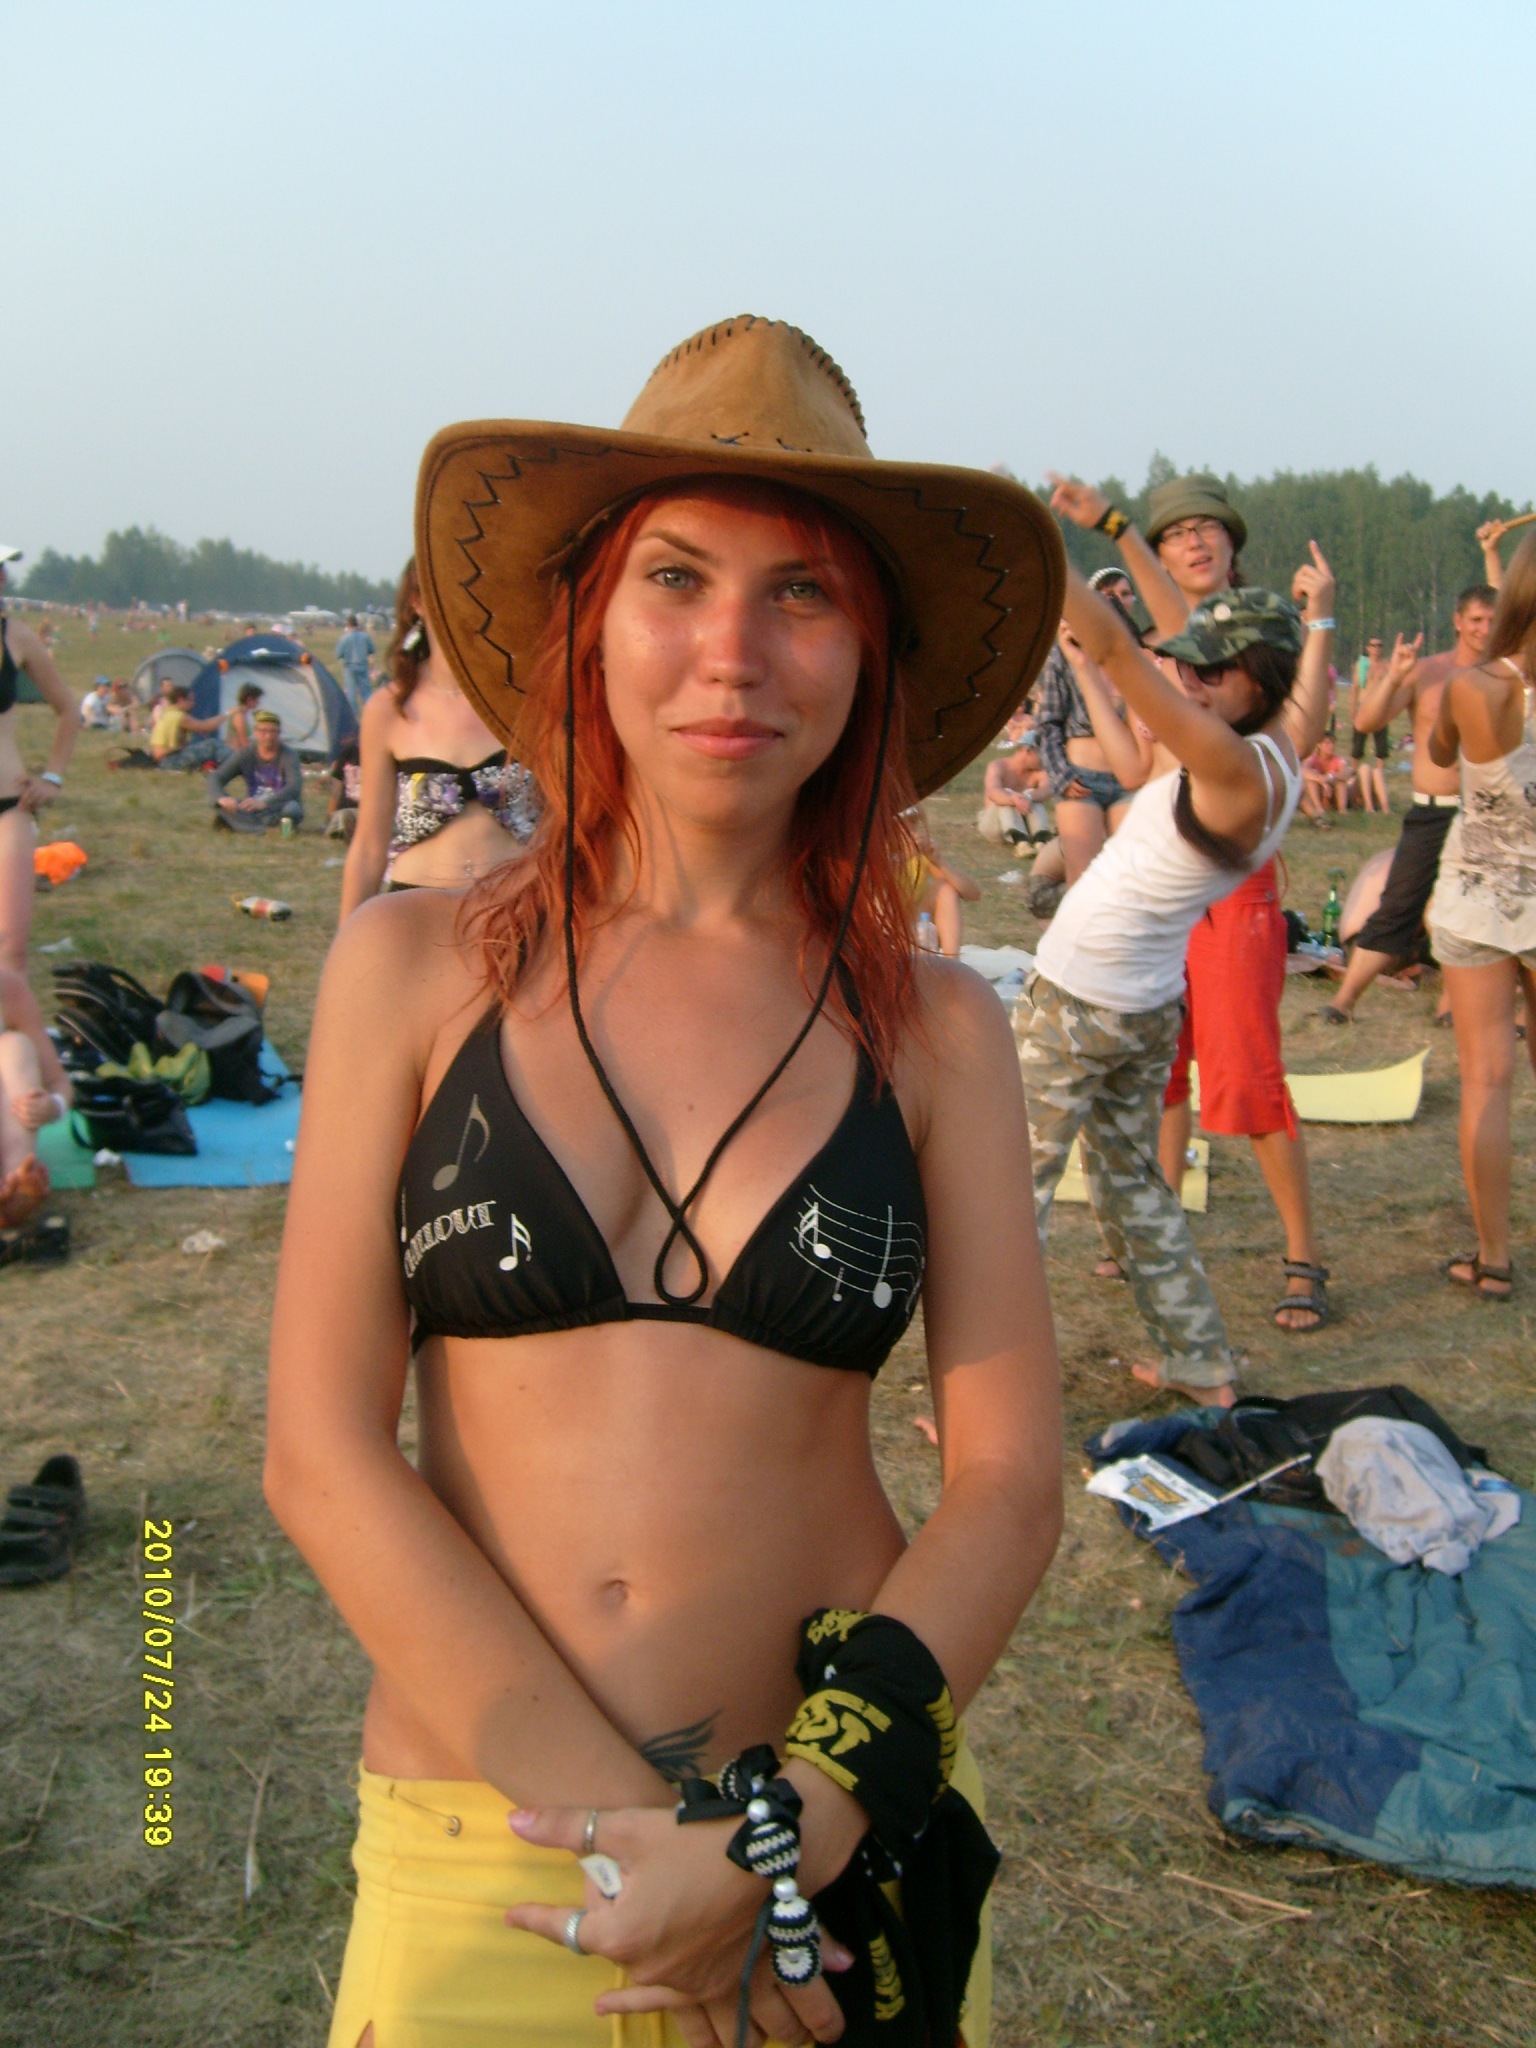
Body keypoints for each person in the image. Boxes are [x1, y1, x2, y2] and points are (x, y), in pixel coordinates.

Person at [265, 314, 1064, 2048]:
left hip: (827, 1877)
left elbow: (1007, 1481)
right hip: (496, 1862)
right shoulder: (411, 969)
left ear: (868, 652)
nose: (732, 653)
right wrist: (664, 1856)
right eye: (676, 578)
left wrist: (793, 1832)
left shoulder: (937, 1029)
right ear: (590, 621)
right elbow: (321, 1452)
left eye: (803, 593)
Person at [1049, 471, 1335, 1332]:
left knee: (1246, 1080)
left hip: (1231, 902)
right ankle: (1159, 1226)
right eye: (1176, 534)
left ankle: (1303, 1255)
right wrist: (1114, 530)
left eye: (1208, 529)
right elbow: (1140, 721)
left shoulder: (1246, 652)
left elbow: (1295, 712)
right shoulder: (1199, 656)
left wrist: (1322, 621)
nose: (1194, 542)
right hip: (1162, 915)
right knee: (1165, 1075)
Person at [1017, 577, 1305, 1402]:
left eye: (1214, 671)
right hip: (1142, 1005)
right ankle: (1202, 1364)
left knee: (1009, 1193)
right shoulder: (1275, 751)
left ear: (1263, 679)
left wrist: (1049, 546)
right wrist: (1121, 530)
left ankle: (996, 1399)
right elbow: (1175, 631)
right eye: (1188, 667)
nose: (1191, 683)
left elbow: (1115, 647)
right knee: (1135, 1191)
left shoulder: (1228, 764)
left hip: (1079, 999)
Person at [1424, 533, 1536, 1300]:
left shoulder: (1473, 685)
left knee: (1486, 1082)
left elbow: (1438, 752)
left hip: (1478, 897)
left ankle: (1493, 1257)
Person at [1320, 584, 1498, 1025]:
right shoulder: (1427, 672)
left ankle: (1450, 1007)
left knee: (1472, 912)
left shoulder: (1506, 677)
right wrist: (1394, 677)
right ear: (1458, 621)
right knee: (1398, 906)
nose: (1484, 629)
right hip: (1433, 808)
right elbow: (1366, 720)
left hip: (1485, 812)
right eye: (1476, 620)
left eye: (1492, 620)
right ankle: (1343, 1002)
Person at [338, 560, 540, 917]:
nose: (466, 602)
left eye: (477, 588)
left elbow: (563, 830)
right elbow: (369, 846)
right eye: (450, 588)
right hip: (415, 916)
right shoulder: (387, 710)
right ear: (417, 601)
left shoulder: (527, 702)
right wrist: (346, 939)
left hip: (512, 913)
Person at [0, 551, 80, 975]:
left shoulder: (16, 637)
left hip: (8, 806)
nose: (2, 577)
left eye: (2, 570)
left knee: (11, 954)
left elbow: (68, 709)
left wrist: (52, 777)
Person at [1029, 623, 1135, 886]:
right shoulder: (1062, 656)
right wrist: (1060, 775)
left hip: (1130, 780)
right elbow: (1048, 724)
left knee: (1129, 876)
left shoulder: (1133, 653)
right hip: (1081, 778)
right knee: (1082, 880)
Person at [0, 965, 72, 1227]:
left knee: (15, 1048)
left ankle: (14, 1181)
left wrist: (53, 1106)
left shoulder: (8, 989)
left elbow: (59, 1082)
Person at [903, 806, 981, 955]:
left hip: (912, 923)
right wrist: (901, 858)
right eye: (903, 825)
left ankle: (950, 961)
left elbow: (973, 894)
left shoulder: (918, 854)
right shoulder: (871, 849)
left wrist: (940, 862)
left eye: (913, 823)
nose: (911, 831)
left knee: (945, 889)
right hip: (879, 926)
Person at [210, 710, 303, 832]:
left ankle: (248, 826)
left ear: (279, 733)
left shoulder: (289, 755)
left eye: (273, 731)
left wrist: (266, 803)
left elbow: (294, 786)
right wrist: (221, 797)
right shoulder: (245, 754)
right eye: (263, 731)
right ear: (255, 732)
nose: (268, 736)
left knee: (292, 810)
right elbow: (216, 777)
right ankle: (266, 830)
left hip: (279, 805)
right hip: (253, 808)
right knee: (224, 807)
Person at [976, 737, 1052, 848]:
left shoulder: (1039, 771)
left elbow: (1048, 789)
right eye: (1042, 753)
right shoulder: (997, 766)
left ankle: (1040, 839)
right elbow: (993, 792)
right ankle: (1020, 842)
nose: (1045, 759)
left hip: (1026, 825)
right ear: (1027, 750)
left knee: (1032, 795)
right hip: (994, 825)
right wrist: (1013, 798)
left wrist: (1028, 797)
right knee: (1007, 794)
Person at [1349, 637, 1392, 812]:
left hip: (1380, 708)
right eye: (1373, 645)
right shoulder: (1362, 665)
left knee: (1381, 746)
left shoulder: (1386, 665)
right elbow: (1355, 688)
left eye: (1379, 645)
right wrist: (1352, 708)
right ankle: (1353, 775)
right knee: (1357, 745)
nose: (1376, 648)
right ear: (1368, 648)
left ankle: (1379, 775)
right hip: (1363, 706)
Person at [154, 683, 231, 770]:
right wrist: (228, 714)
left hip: (163, 760)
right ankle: (236, 764)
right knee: (212, 745)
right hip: (170, 761)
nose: (193, 704)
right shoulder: (179, 717)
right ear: (180, 700)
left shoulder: (167, 713)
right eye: (190, 700)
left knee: (199, 746)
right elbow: (207, 727)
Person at [1301, 731, 1352, 821]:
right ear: (1319, 745)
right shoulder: (1313, 759)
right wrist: (1321, 781)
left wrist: (1330, 777)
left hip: (1332, 793)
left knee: (1340, 782)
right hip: (1319, 792)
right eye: (1327, 743)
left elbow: (1346, 772)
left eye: (1333, 743)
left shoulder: (1337, 760)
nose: (1331, 746)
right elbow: (1303, 770)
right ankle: (1319, 808)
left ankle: (1342, 809)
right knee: (1311, 782)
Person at [336, 614, 377, 713]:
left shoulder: (344, 638)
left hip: (349, 667)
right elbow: (372, 650)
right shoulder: (365, 637)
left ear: (348, 625)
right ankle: (370, 712)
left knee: (351, 694)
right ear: (357, 624)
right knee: (366, 692)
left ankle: (353, 714)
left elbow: (339, 654)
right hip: (363, 666)